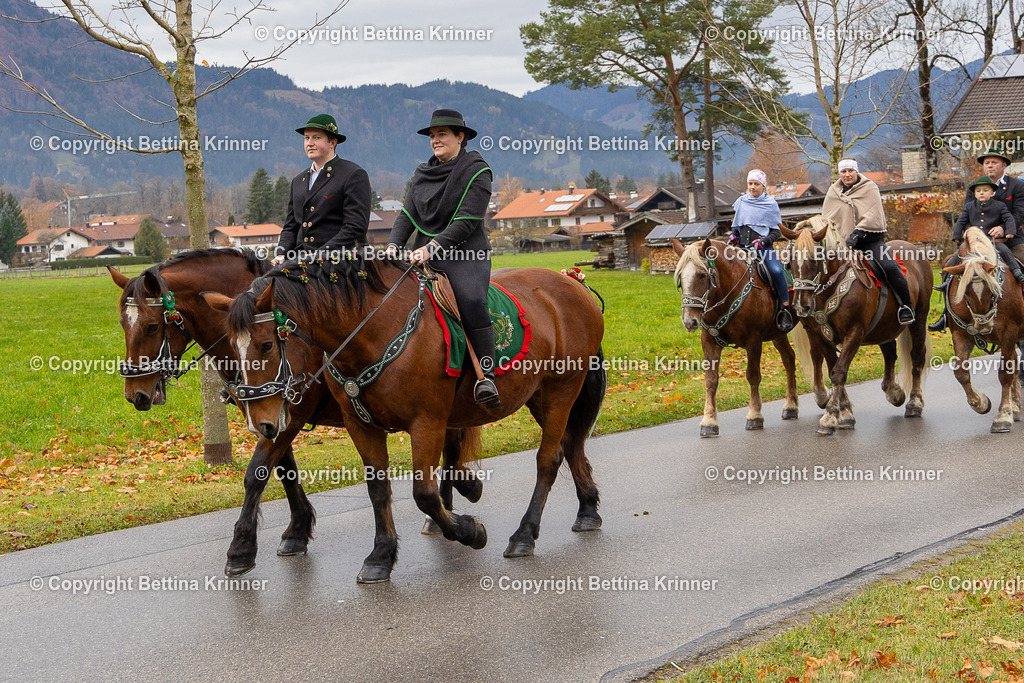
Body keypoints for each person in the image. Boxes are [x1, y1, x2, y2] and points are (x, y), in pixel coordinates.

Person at [386, 109, 498, 407]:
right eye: (432, 136)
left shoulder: (478, 171)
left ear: (460, 137)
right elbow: (407, 214)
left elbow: (467, 221)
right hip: (423, 255)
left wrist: (432, 247)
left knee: (471, 300)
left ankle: (486, 373)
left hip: (466, 253)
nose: (435, 140)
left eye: (442, 135)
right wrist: (393, 246)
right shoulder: (422, 173)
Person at [930, 149, 1024, 331]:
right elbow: (967, 214)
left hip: (1010, 240)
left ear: (1004, 165)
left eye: (994, 162)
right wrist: (967, 232)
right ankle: (946, 314)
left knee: (1023, 261)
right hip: (978, 243)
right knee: (950, 265)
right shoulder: (974, 187)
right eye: (987, 163)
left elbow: (1020, 213)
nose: (990, 165)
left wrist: (1003, 228)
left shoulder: (1017, 186)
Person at [822, 157, 915, 325]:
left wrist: (857, 233)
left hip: (869, 241)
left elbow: (873, 216)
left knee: (889, 267)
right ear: (839, 173)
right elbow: (826, 219)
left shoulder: (869, 187)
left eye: (851, 171)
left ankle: (906, 306)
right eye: (844, 171)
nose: (847, 174)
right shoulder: (833, 192)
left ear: (856, 171)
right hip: (841, 244)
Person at [272, 114, 370, 266]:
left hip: (341, 262)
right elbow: (291, 226)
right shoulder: (298, 181)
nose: (309, 143)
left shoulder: (353, 174)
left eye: (316, 138)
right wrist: (281, 253)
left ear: (333, 142)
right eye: (306, 138)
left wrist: (320, 254)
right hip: (300, 261)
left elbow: (355, 228)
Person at [729, 169, 793, 332]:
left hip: (763, 249)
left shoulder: (771, 204)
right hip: (742, 249)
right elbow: (737, 226)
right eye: (750, 183)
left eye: (756, 184)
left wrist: (764, 241)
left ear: (763, 186)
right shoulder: (741, 202)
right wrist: (734, 236)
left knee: (776, 271)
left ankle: (785, 309)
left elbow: (776, 232)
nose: (752, 187)